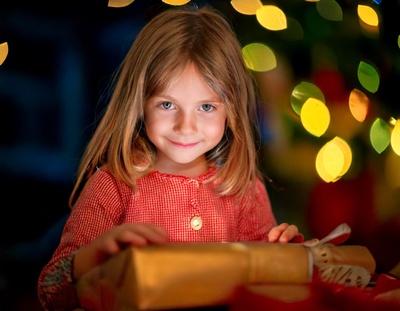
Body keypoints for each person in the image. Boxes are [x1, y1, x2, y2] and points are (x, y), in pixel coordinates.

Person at [37, 5, 304, 310]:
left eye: (206, 107)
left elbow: (266, 287)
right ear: (140, 103)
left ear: (230, 111)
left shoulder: (243, 187)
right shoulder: (112, 186)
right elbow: (50, 291)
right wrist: (93, 257)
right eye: (167, 105)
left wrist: (284, 255)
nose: (185, 126)